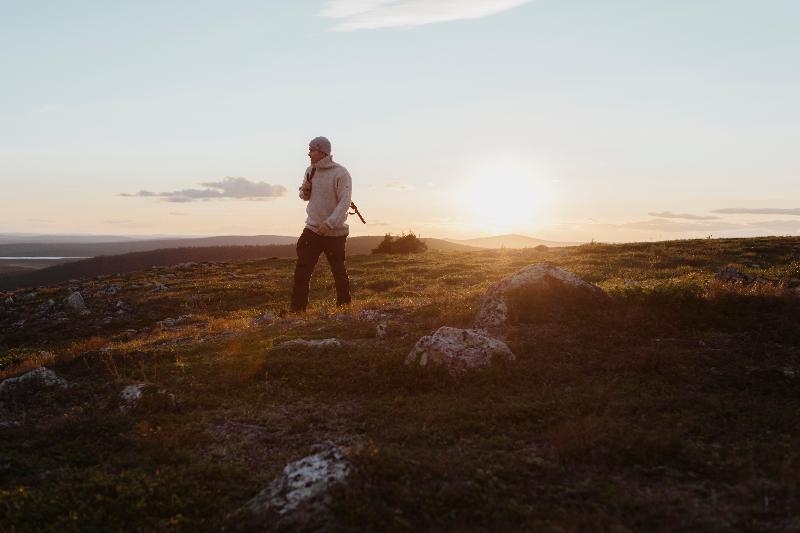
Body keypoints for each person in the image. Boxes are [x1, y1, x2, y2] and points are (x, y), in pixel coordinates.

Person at [289, 136, 352, 312]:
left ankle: (344, 308)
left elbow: (344, 202)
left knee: (338, 270)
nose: (308, 153)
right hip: (312, 229)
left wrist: (329, 223)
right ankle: (297, 311)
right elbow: (304, 196)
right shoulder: (310, 170)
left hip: (335, 232)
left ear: (322, 151)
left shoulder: (341, 173)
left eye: (312, 150)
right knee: (302, 270)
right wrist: (305, 190)